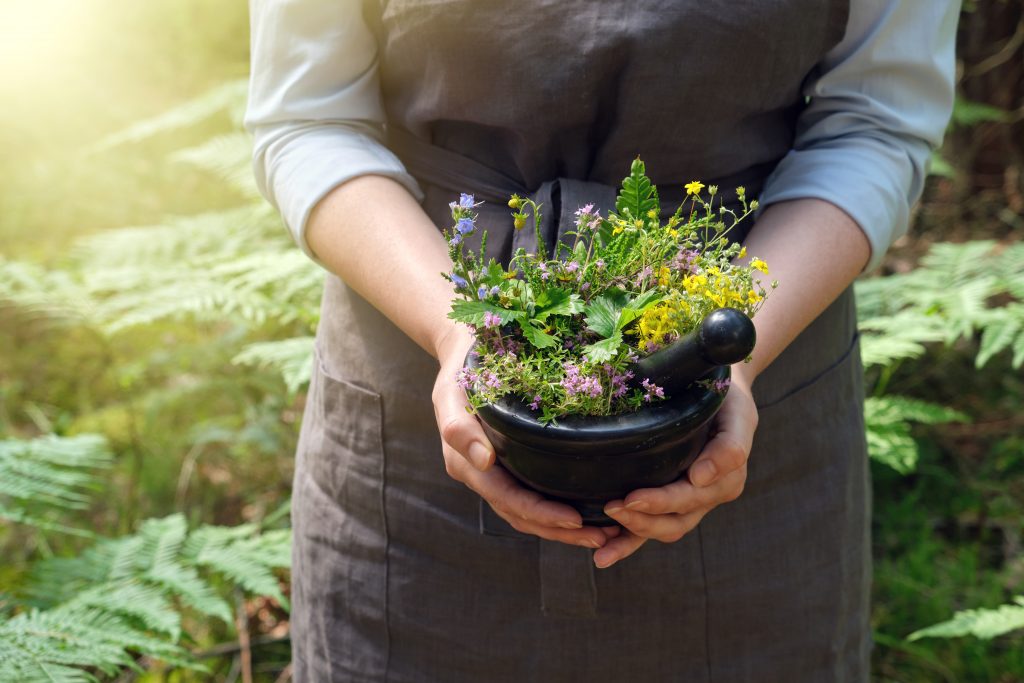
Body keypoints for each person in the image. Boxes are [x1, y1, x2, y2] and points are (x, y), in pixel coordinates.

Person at [246, 1, 959, 680]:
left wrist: (734, 359)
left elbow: (876, 120)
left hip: (759, 413)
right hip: (409, 442)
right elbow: (309, 118)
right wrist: (454, 328)